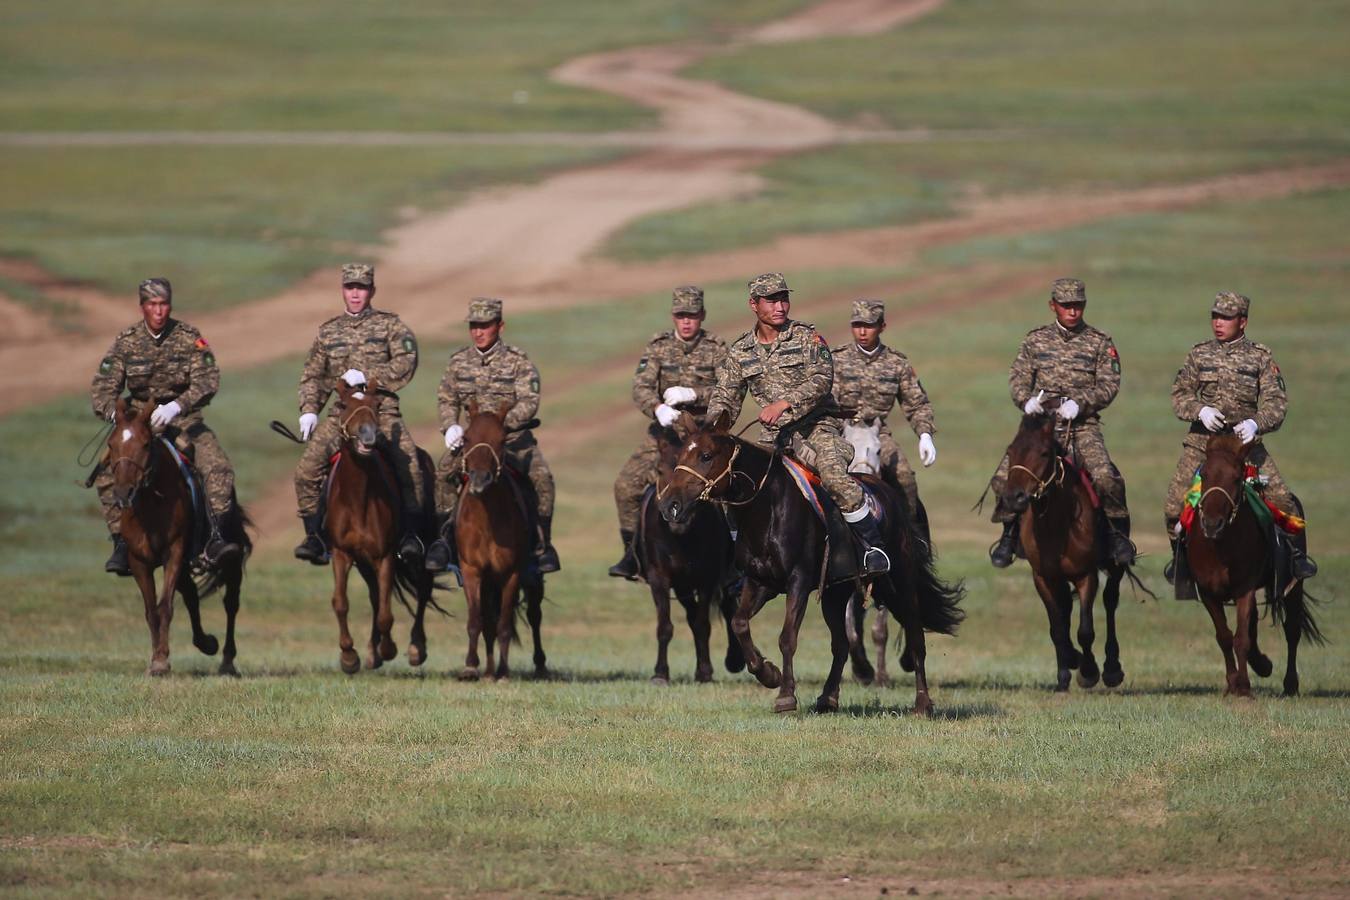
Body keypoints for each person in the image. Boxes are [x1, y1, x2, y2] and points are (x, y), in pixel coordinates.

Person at [705, 272, 890, 575]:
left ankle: (873, 547)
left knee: (834, 476)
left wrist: (784, 403)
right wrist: (711, 430)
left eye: (784, 299)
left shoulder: (807, 338)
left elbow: (822, 379)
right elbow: (726, 396)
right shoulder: (740, 351)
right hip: (774, 437)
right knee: (731, 484)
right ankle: (740, 562)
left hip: (817, 427)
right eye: (771, 300)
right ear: (754, 305)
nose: (780, 306)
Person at [91, 278, 241, 574]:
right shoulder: (127, 341)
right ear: (142, 307)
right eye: (152, 305)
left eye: (163, 305)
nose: (158, 311)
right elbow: (102, 388)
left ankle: (215, 538)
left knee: (217, 467)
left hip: (182, 420)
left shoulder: (188, 337)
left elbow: (208, 379)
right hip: (136, 423)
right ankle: (121, 543)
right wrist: (118, 418)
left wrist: (177, 406)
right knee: (106, 474)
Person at [1164, 290, 1316, 580]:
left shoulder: (1260, 356)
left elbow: (1276, 402)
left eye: (1227, 317)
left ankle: (1295, 558)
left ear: (1243, 322)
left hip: (1243, 444)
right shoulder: (1199, 353)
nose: (1218, 323)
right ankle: (1180, 560)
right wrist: (1199, 411)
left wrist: (1256, 423)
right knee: (1173, 502)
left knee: (1284, 499)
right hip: (1202, 442)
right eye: (1215, 316)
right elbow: (1179, 394)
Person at [989, 278, 1135, 567]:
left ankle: (1117, 537)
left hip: (1081, 426)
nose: (1072, 311)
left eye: (1078, 305)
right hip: (1039, 426)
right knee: (1002, 479)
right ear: (1052, 306)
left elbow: (1109, 383)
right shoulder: (1035, 340)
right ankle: (1009, 535)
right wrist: (1025, 400)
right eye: (1066, 305)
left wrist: (1081, 403)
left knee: (1106, 478)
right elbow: (1018, 376)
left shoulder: (1100, 342)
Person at [292, 263, 425, 564]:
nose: (356, 293)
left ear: (372, 291)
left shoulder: (391, 326)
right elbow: (313, 375)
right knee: (305, 471)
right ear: (343, 290)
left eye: (362, 288)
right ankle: (314, 536)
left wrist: (366, 376)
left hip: (381, 412)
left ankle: (411, 536)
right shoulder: (328, 332)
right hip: (342, 416)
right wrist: (310, 410)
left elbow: (406, 361)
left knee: (411, 466)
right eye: (350, 287)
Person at [424, 297, 560, 575]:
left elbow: (529, 400)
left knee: (542, 479)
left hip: (511, 440)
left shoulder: (518, 362)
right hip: (471, 443)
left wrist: (501, 426)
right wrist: (450, 425)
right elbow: (446, 398)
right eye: (474, 326)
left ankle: (543, 544)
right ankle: (444, 540)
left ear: (500, 326)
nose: (478, 332)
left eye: (485, 325)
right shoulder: (459, 362)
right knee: (443, 474)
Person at [608, 286, 727, 579]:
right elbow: (641, 387)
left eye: (692, 315)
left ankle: (733, 558)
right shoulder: (658, 346)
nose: (686, 322)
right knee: (625, 486)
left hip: (704, 438)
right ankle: (633, 555)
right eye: (681, 315)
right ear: (673, 316)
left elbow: (728, 390)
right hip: (665, 437)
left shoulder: (716, 347)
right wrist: (657, 407)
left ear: (702, 315)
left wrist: (694, 394)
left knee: (726, 492)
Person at [830, 298, 937, 514]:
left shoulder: (896, 363)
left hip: (878, 433)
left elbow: (916, 403)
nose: (862, 332)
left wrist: (925, 434)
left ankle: (914, 539)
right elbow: (824, 400)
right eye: (857, 325)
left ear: (882, 327)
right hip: (839, 432)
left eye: (869, 326)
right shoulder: (836, 359)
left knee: (905, 477)